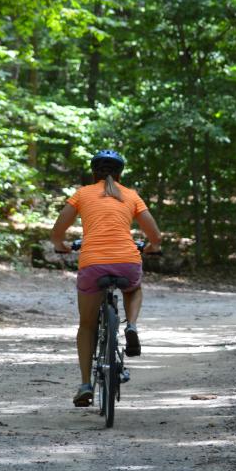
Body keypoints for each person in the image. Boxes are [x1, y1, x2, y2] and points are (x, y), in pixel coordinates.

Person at [51, 149, 163, 407]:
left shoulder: (82, 194)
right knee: (133, 289)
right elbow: (155, 236)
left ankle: (85, 384)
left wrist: (62, 245)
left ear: (94, 173)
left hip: (92, 263)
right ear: (120, 174)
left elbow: (57, 231)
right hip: (127, 261)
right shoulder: (132, 195)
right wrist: (151, 248)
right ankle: (131, 325)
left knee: (87, 325)